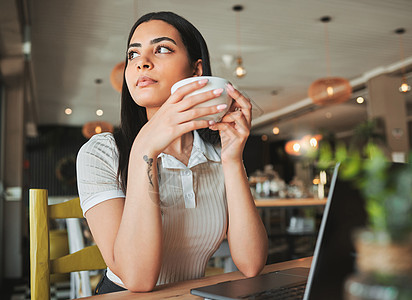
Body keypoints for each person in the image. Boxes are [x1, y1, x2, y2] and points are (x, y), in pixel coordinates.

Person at [76, 11, 268, 294]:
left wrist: (232, 159)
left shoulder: (216, 155)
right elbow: (137, 280)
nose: (142, 62)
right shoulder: (101, 153)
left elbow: (251, 264)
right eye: (132, 54)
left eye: (162, 48)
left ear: (196, 70)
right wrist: (144, 147)